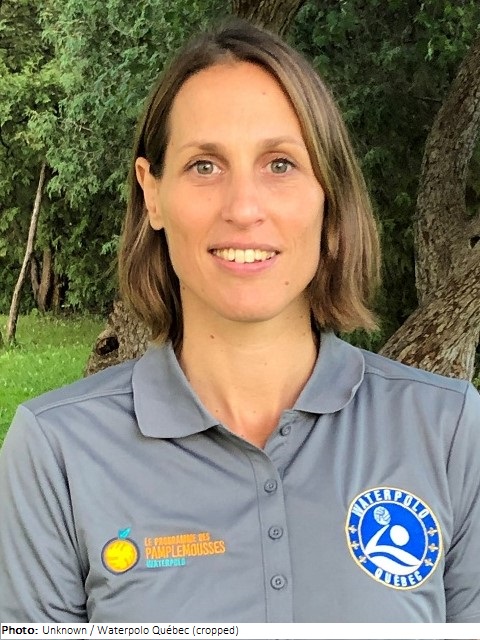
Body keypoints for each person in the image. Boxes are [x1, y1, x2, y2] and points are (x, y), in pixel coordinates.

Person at [1, 19, 479, 624]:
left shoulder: (449, 430)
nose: (244, 208)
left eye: (280, 164)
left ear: (328, 193)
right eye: (205, 166)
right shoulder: (56, 452)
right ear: (152, 194)